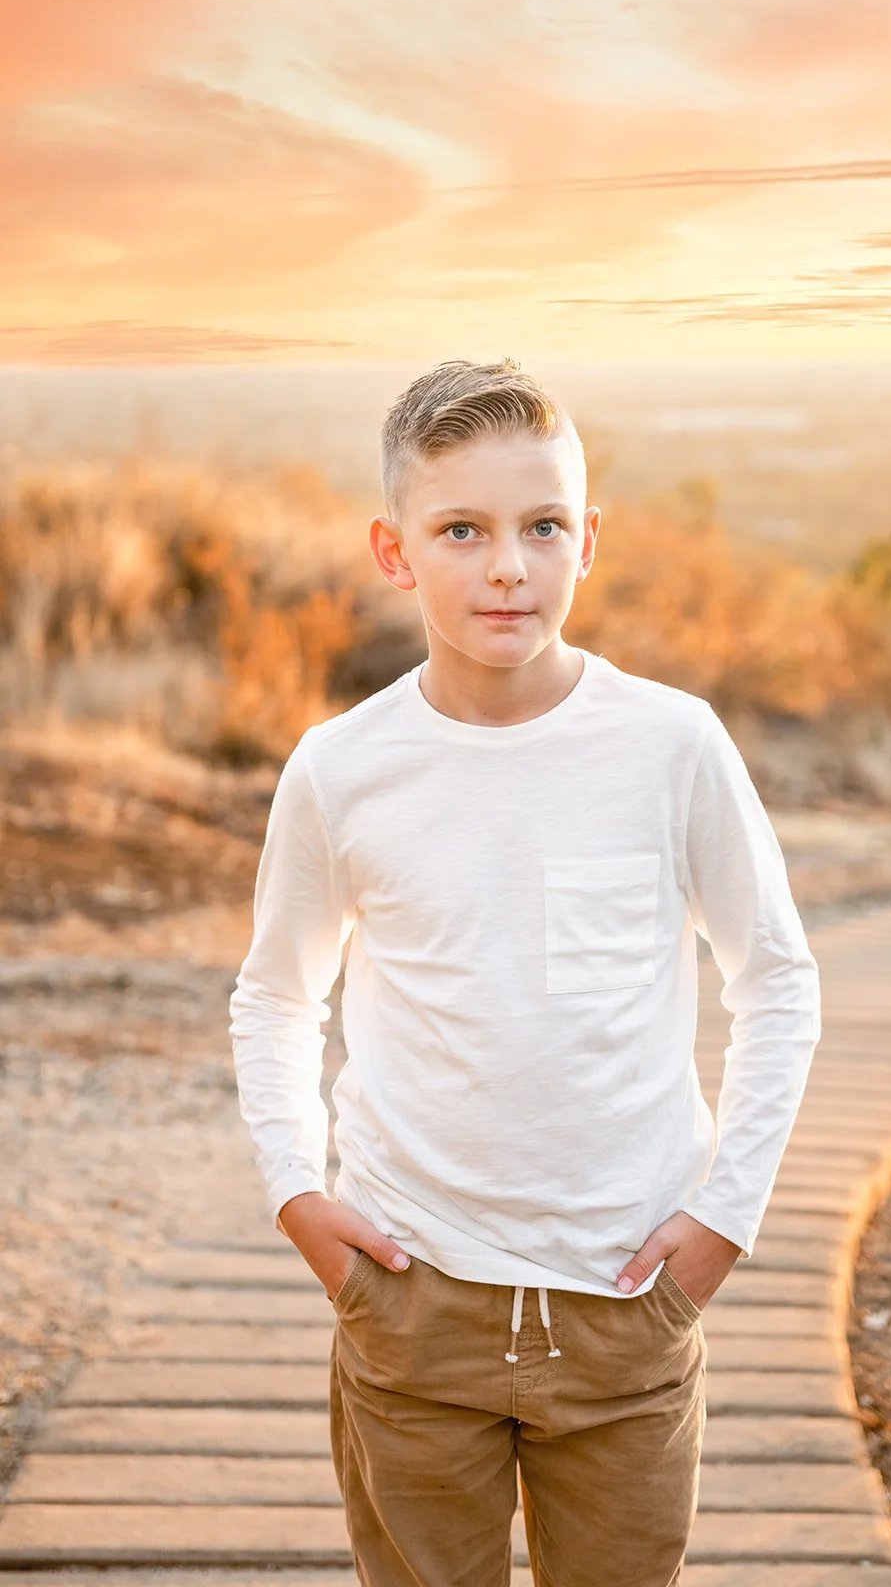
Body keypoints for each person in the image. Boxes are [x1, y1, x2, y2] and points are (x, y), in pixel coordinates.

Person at [229, 357, 821, 1587]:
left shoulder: (671, 745)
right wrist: (298, 1193)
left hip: (624, 1305)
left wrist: (725, 1219)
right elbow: (280, 994)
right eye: (463, 530)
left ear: (587, 539)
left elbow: (775, 978)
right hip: (409, 1301)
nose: (509, 564)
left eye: (543, 525)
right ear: (395, 553)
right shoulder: (341, 769)